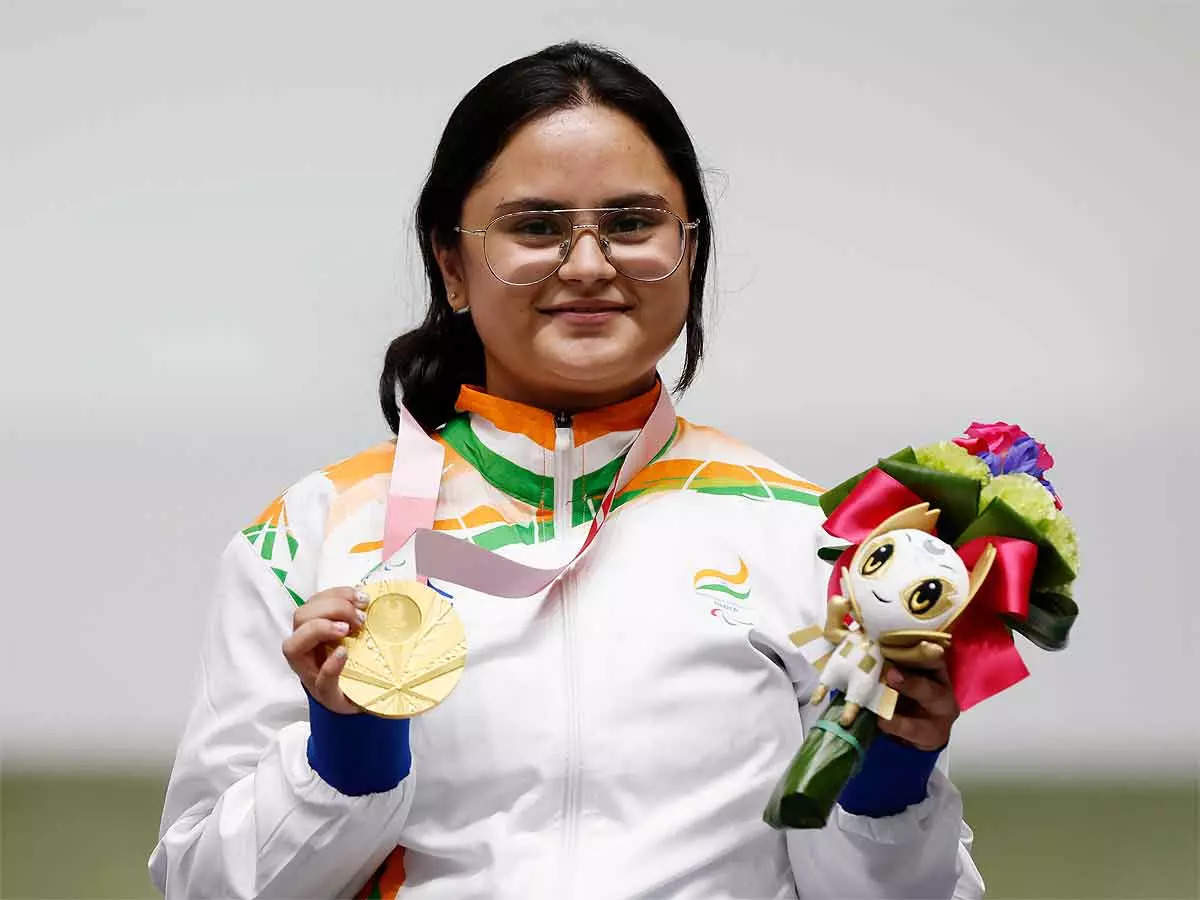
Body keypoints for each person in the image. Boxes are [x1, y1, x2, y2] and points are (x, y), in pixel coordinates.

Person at [149, 41, 984, 899]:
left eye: (630, 223)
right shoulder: (314, 533)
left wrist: (891, 784)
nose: (588, 265)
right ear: (451, 263)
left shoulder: (814, 538)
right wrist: (344, 754)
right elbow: (202, 886)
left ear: (690, 250)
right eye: (537, 228)